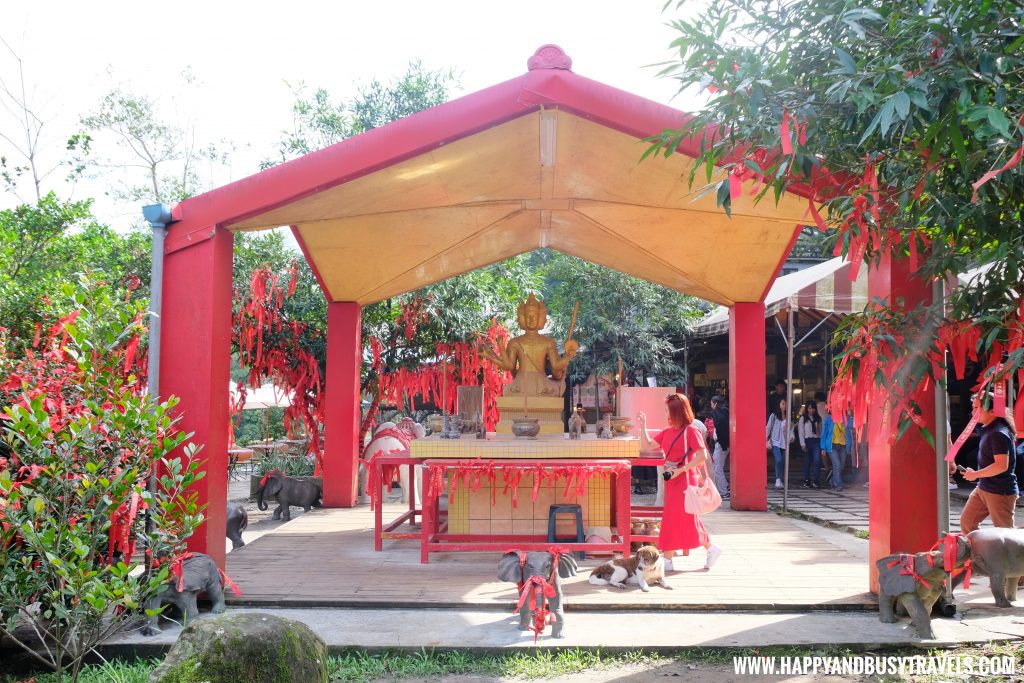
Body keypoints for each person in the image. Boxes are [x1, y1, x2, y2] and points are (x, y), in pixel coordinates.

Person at [638, 393, 722, 572]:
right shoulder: (668, 431)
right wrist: (642, 425)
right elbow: (647, 445)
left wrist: (680, 470)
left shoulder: (691, 430)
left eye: (668, 410)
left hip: (684, 481)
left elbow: (702, 455)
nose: (666, 413)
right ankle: (710, 548)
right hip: (674, 480)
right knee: (685, 519)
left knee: (673, 518)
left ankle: (667, 559)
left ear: (676, 412)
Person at [960, 390, 1019, 533]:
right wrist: (977, 475)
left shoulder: (999, 433)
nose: (973, 412)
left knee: (1006, 535)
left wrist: (976, 474)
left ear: (993, 411)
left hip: (1000, 491)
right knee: (967, 524)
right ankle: (978, 555)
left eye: (977, 408)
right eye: (973, 407)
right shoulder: (987, 427)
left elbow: (1001, 466)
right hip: (983, 488)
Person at [797, 400, 823, 489]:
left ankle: (816, 480)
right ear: (807, 409)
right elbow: (801, 432)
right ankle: (806, 479)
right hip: (807, 441)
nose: (811, 410)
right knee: (807, 461)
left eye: (813, 408)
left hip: (816, 440)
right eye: (809, 408)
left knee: (817, 460)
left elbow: (821, 431)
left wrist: (821, 443)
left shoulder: (818, 419)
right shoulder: (803, 419)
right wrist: (802, 443)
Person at [709, 395, 730, 499]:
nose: (711, 406)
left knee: (717, 468)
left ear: (716, 404)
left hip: (721, 444)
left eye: (712, 403)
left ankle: (723, 492)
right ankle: (725, 487)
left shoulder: (717, 413)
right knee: (718, 467)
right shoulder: (726, 412)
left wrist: (722, 443)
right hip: (724, 444)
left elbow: (720, 427)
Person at [766, 397, 789, 489]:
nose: (784, 406)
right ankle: (778, 479)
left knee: (781, 461)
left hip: (784, 442)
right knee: (778, 460)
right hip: (775, 441)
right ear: (779, 405)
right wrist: (765, 439)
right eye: (783, 403)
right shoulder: (774, 415)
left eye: (786, 404)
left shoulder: (788, 416)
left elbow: (790, 429)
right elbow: (768, 427)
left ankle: (779, 479)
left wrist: (792, 437)